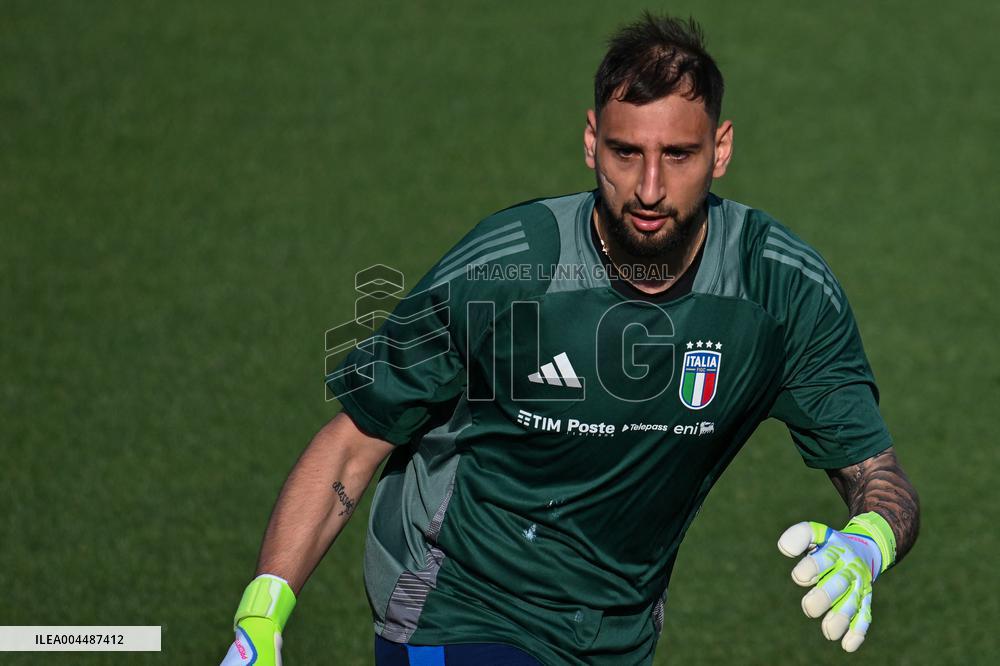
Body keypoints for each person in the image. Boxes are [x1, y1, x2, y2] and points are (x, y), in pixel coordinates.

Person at [220, 13, 919, 665]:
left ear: (721, 149)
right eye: (625, 152)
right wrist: (261, 618)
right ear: (591, 142)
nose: (650, 188)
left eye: (678, 154)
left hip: (617, 634)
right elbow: (353, 442)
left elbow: (877, 476)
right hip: (454, 603)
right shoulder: (508, 268)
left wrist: (869, 541)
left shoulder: (782, 292)